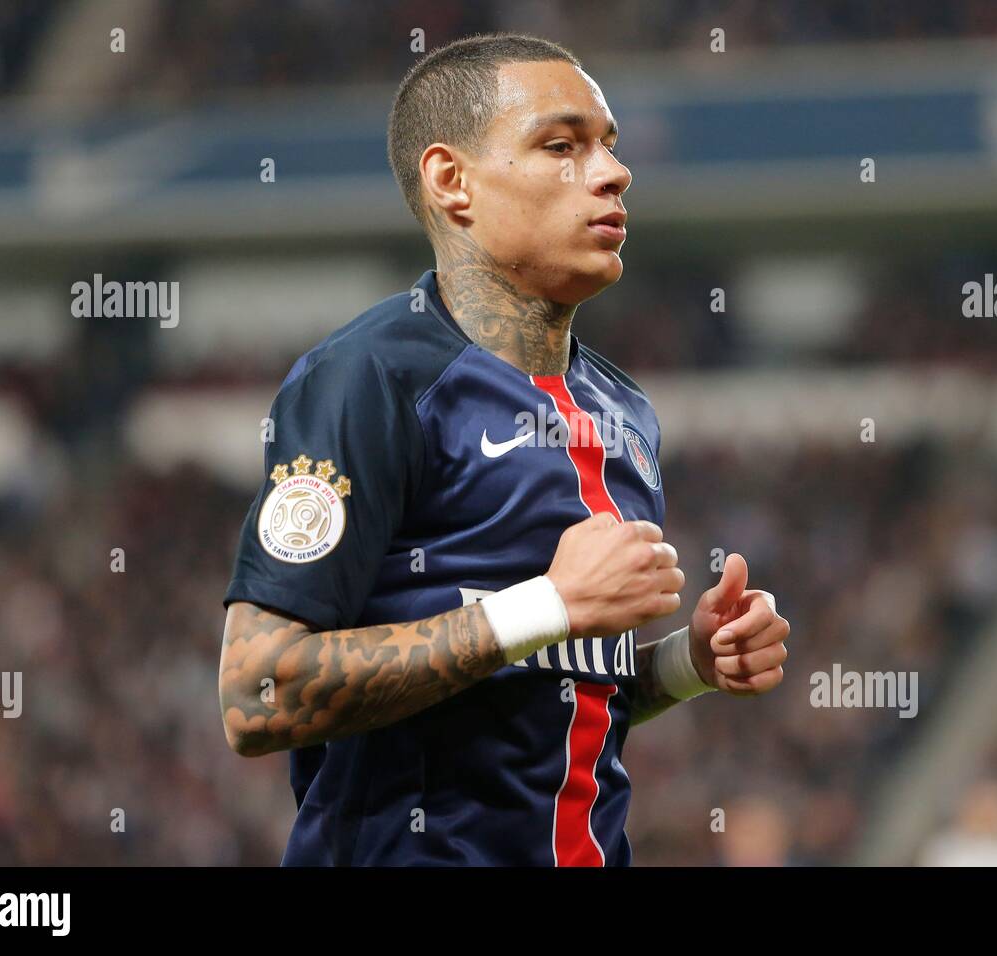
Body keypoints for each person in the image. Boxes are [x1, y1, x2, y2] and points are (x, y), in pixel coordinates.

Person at [218, 32, 790, 866]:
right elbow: (257, 693)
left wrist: (687, 664)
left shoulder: (624, 410)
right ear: (453, 181)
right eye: (561, 146)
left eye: (608, 147)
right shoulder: (368, 381)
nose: (612, 172)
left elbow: (552, 689)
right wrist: (546, 605)